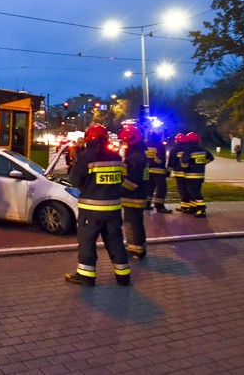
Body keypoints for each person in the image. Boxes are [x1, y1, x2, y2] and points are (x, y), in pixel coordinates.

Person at [65, 123, 131, 287]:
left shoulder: (86, 156)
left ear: (89, 138)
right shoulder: (116, 157)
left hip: (91, 211)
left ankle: (86, 276)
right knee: (115, 242)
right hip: (114, 210)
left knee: (87, 242)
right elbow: (122, 178)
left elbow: (75, 180)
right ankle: (123, 276)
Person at [118, 126, 149, 260]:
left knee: (132, 223)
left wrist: (119, 191)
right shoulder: (137, 155)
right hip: (136, 196)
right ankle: (137, 247)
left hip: (134, 197)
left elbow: (132, 181)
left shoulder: (136, 157)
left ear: (131, 140)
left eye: (123, 141)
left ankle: (136, 250)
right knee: (135, 223)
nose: (122, 144)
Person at [181, 132, 214, 218]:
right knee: (194, 192)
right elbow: (211, 158)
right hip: (200, 175)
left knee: (195, 193)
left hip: (191, 175)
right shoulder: (202, 149)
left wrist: (185, 168)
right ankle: (193, 207)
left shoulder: (188, 150)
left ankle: (201, 209)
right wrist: (202, 164)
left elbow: (184, 162)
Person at [146, 130, 172, 213]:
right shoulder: (159, 145)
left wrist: (148, 164)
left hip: (148, 171)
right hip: (159, 171)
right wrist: (154, 163)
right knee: (161, 188)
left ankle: (147, 204)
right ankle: (159, 206)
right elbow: (161, 158)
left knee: (149, 188)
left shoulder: (146, 145)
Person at [168, 133, 192, 214]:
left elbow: (170, 163)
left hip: (179, 174)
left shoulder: (174, 150)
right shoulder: (189, 149)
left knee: (182, 190)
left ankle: (184, 206)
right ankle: (188, 206)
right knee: (189, 189)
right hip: (189, 174)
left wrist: (168, 173)